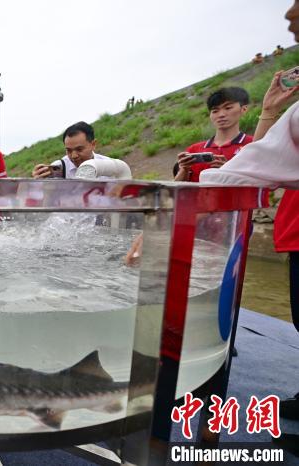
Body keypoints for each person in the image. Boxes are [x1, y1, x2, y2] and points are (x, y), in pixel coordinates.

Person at [200, 1, 299, 453]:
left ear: (238, 110)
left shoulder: (254, 140)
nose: (289, 15)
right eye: (214, 110)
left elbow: (255, 164)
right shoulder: (206, 146)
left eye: (227, 108)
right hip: (223, 233)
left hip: (235, 234)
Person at [174, 87, 253, 182]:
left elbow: (261, 184)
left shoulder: (253, 144)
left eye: (228, 108)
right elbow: (178, 189)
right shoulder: (194, 149)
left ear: (243, 109)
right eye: (215, 111)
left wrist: (229, 170)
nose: (221, 115)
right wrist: (184, 170)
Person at [31, 121, 121, 179]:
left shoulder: (110, 167)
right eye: (69, 150)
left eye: (79, 149)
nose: (74, 156)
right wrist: (38, 184)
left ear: (93, 144)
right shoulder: (58, 169)